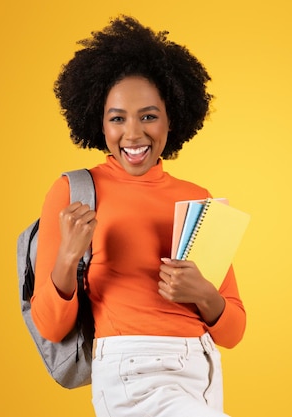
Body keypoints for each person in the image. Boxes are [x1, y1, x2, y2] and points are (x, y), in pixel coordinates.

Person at [30, 15, 246, 417]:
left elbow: (233, 331)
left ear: (171, 118)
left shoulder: (197, 200)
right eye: (117, 118)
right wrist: (67, 257)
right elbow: (51, 327)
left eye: (148, 116)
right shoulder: (75, 192)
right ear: (99, 121)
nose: (132, 134)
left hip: (202, 371)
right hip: (133, 371)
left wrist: (202, 293)